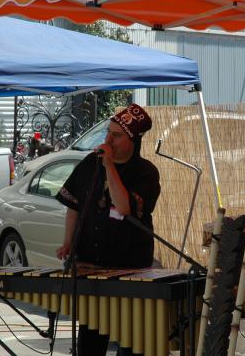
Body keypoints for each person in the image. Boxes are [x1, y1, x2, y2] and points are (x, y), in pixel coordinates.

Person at [55, 103, 161, 356]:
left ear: (133, 141)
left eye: (116, 135)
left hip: (129, 270)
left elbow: (123, 207)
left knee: (131, 345)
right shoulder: (89, 164)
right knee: (90, 345)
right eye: (108, 133)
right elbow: (74, 207)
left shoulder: (146, 172)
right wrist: (68, 242)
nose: (108, 140)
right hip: (92, 268)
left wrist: (110, 167)